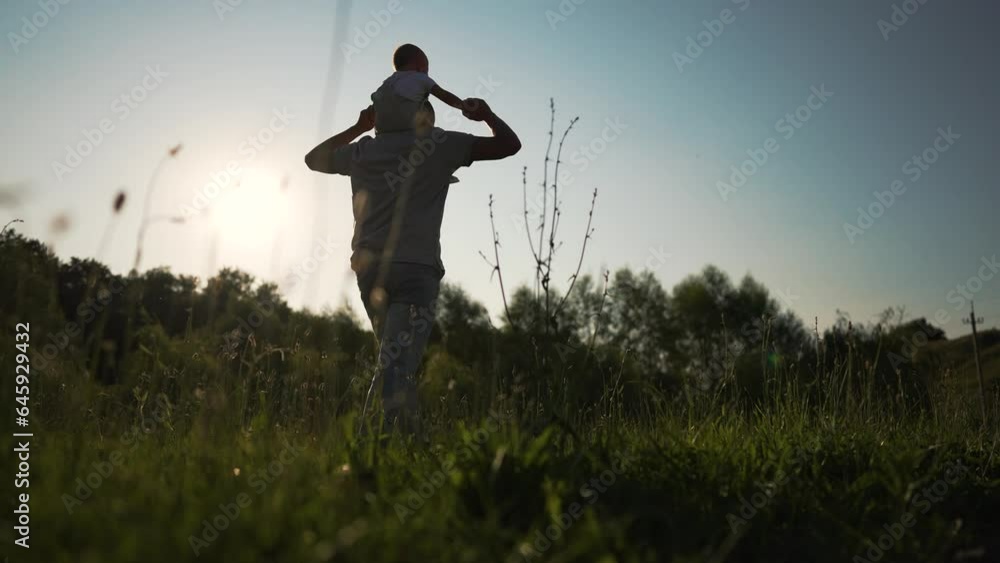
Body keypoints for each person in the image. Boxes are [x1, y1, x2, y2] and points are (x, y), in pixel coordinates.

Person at [304, 97, 521, 430]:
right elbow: (509, 145)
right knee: (396, 367)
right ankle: (379, 443)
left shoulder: (363, 150)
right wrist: (487, 115)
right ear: (424, 120)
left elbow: (313, 159)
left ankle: (395, 442)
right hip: (416, 270)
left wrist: (358, 127)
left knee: (391, 362)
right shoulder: (438, 144)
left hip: (370, 271)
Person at [371, 43, 468, 134]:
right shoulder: (420, 77)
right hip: (410, 126)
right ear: (419, 66)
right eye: (427, 69)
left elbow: (374, 106)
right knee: (426, 104)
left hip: (383, 130)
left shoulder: (386, 83)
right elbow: (444, 95)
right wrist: (463, 106)